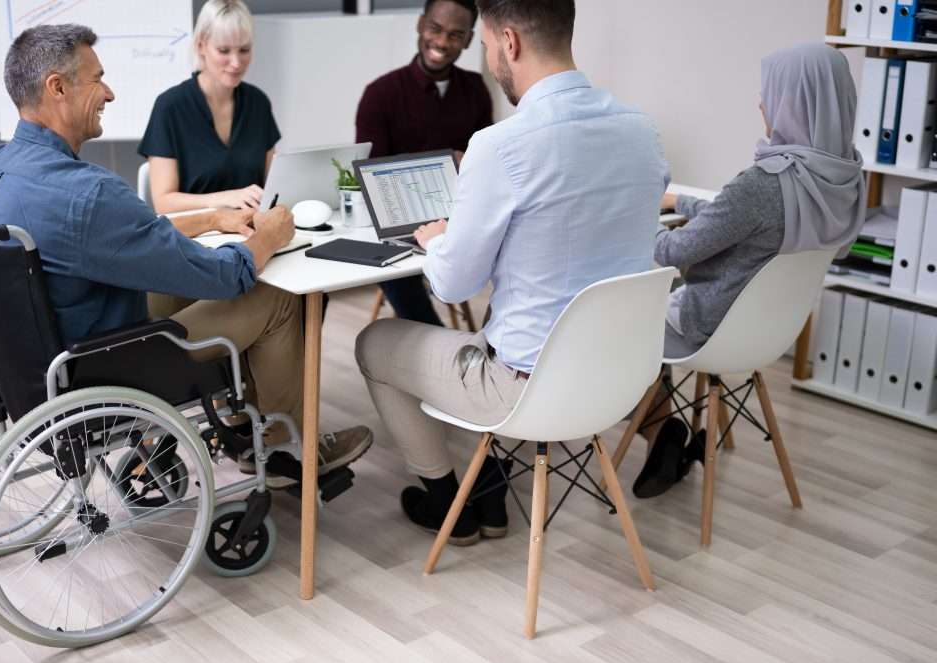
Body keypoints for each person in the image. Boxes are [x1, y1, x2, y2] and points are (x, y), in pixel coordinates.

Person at [0, 24, 372, 486]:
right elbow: (224, 277)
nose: (110, 93)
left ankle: (244, 423)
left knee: (179, 283)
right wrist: (270, 236)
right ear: (57, 88)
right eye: (97, 78)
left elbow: (122, 237)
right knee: (276, 296)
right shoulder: (87, 193)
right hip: (107, 368)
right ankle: (287, 450)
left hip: (42, 364)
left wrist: (211, 218)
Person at [355, 0, 669, 545]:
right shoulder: (643, 131)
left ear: (509, 42)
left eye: (483, 45)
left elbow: (453, 284)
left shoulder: (500, 147)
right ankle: (489, 484)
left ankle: (447, 499)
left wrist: (438, 241)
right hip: (618, 380)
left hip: (525, 388)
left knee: (374, 341)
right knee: (507, 327)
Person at [633, 43, 865, 498]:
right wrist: (682, 201)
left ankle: (660, 430)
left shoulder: (765, 184)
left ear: (794, 101)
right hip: (767, 333)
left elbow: (674, 251)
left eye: (770, 93)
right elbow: (737, 217)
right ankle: (665, 433)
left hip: (706, 327)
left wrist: (626, 225)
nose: (762, 103)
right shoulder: (843, 175)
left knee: (613, 321)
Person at [355, 0, 493, 326]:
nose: (443, 43)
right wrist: (453, 159)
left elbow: (489, 166)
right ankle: (438, 341)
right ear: (420, 25)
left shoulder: (476, 90)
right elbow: (373, 176)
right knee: (392, 262)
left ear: (470, 39)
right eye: (435, 29)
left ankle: (496, 348)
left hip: (461, 217)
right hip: (398, 225)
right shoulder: (380, 94)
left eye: (456, 35)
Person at [139, 0, 278, 215]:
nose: (236, 62)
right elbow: (164, 203)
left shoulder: (258, 103)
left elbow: (275, 187)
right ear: (201, 46)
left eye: (244, 50)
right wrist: (226, 198)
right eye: (224, 50)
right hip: (196, 238)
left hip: (253, 232)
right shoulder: (170, 107)